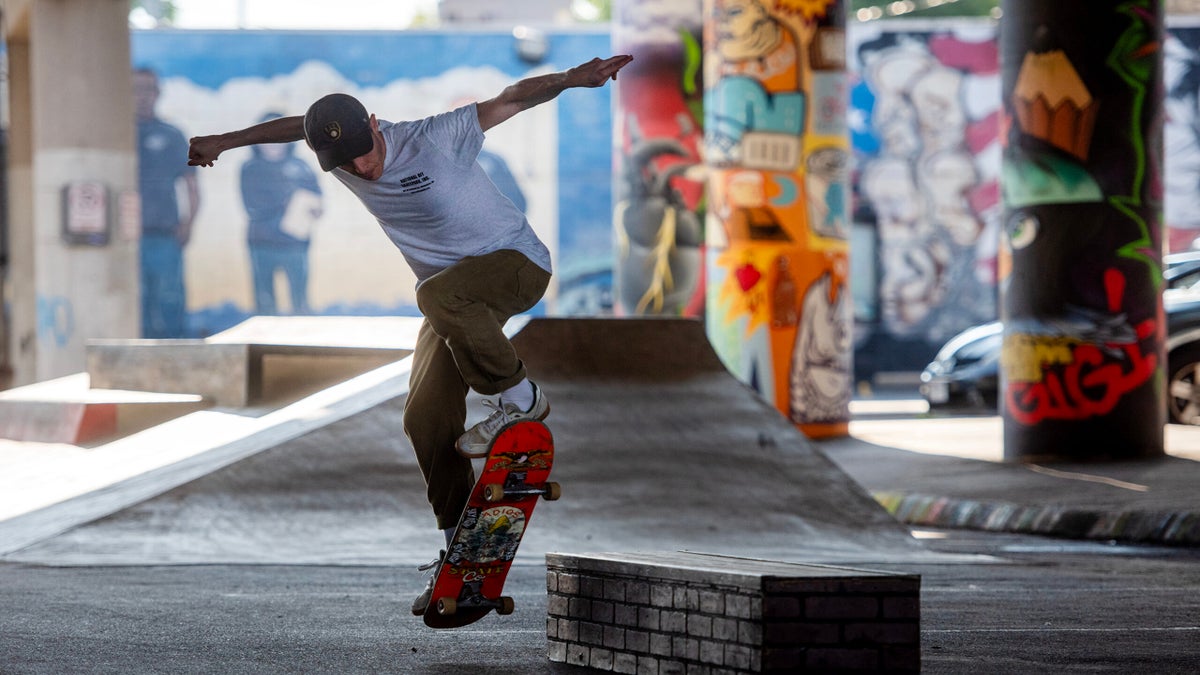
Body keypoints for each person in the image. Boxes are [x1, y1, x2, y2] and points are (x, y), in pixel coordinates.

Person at [187, 54, 633, 614]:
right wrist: (224, 141)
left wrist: (570, 79)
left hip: (515, 265)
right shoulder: (342, 156)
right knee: (424, 416)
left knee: (437, 295)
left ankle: (520, 399)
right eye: (345, 164)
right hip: (455, 301)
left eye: (364, 154)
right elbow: (293, 126)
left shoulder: (435, 137)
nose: (362, 169)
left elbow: (513, 96)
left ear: (375, 124)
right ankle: (462, 556)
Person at [136, 67, 200, 338]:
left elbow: (192, 184)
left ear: (157, 93)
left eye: (147, 89)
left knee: (170, 301)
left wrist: (188, 223)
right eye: (135, 89)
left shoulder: (171, 135)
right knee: (137, 303)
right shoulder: (116, 134)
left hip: (164, 235)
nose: (141, 96)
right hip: (129, 238)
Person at [239, 112, 323, 315]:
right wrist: (285, 205)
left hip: (295, 243)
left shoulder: (301, 167)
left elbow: (317, 198)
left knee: (299, 298)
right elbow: (252, 205)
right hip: (262, 242)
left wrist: (313, 209)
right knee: (265, 300)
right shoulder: (251, 168)